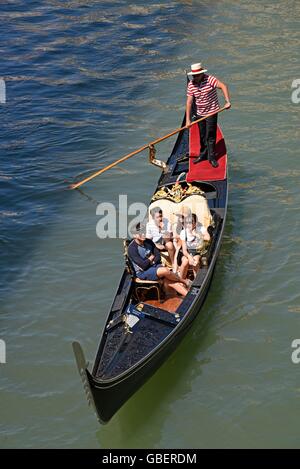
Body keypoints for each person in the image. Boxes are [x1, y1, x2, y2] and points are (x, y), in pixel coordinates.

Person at [185, 62, 231, 168]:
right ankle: (203, 154)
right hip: (199, 113)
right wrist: (188, 120)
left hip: (212, 112)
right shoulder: (191, 85)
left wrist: (227, 101)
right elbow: (189, 102)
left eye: (197, 75)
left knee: (210, 135)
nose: (195, 77)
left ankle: (212, 157)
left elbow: (223, 86)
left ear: (202, 73)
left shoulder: (210, 79)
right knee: (202, 135)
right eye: (194, 76)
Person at [128, 223, 189, 297]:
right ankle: (184, 281)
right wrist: (150, 259)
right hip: (143, 272)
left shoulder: (149, 242)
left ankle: (188, 296)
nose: (143, 234)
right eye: (140, 233)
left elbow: (158, 256)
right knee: (165, 271)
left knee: (169, 281)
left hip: (155, 266)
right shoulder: (132, 249)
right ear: (134, 235)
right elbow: (143, 266)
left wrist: (150, 260)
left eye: (144, 232)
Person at [179, 214, 210, 279]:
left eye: (191, 222)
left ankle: (197, 280)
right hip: (187, 252)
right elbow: (184, 250)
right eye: (187, 222)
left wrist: (196, 234)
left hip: (197, 252)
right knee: (185, 262)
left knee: (195, 261)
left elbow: (208, 238)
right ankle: (181, 280)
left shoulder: (201, 229)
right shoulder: (183, 232)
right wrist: (189, 257)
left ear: (195, 223)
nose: (188, 224)